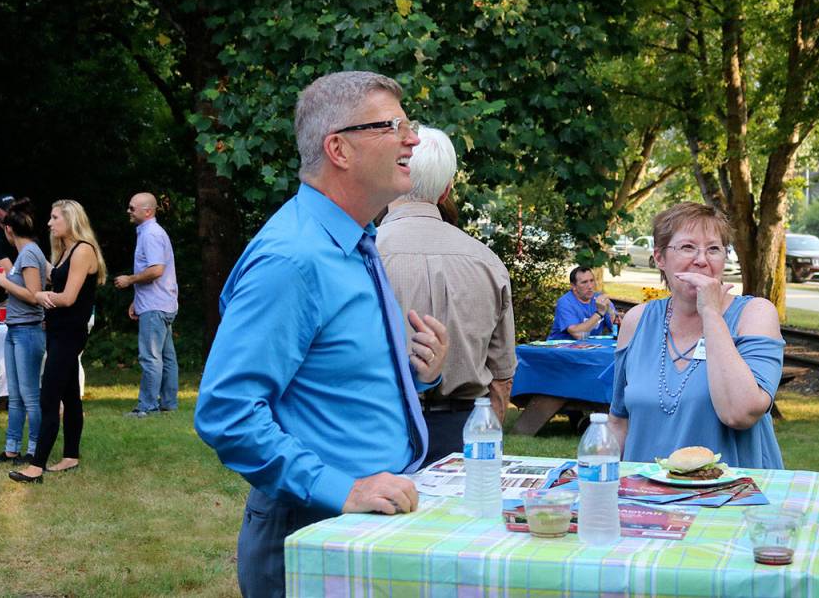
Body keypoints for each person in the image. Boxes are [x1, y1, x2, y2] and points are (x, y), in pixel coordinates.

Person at [194, 71, 449, 598]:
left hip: (367, 526)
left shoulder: (355, 238)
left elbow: (329, 379)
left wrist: (415, 375)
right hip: (313, 532)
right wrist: (343, 489)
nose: (413, 139)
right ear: (339, 148)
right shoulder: (294, 257)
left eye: (410, 124)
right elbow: (226, 410)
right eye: (393, 125)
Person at [377, 125, 517, 464]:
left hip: (381, 429)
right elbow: (502, 378)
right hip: (464, 429)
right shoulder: (487, 262)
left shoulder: (363, 254)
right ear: (446, 191)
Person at [609, 202, 784, 469]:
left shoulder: (755, 314)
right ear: (659, 258)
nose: (702, 260)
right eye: (688, 247)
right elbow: (619, 422)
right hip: (646, 499)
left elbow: (740, 413)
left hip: (734, 499)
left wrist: (711, 314)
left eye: (714, 249)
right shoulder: (637, 321)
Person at [9, 200, 105, 483]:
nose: (49, 223)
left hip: (69, 333)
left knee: (49, 396)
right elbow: (55, 277)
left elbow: (68, 298)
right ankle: (71, 456)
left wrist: (39, 296)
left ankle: (36, 467)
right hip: (59, 331)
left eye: (54, 218)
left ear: (70, 219)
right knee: (71, 396)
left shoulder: (83, 250)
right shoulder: (65, 251)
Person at [0, 199, 48, 466]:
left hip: (28, 331)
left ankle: (34, 451)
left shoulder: (30, 253)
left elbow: (34, 296)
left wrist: (3, 280)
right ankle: (11, 449)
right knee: (17, 395)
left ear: (9, 230)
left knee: (30, 396)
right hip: (16, 329)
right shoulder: (27, 253)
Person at [114, 192, 179, 417]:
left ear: (148, 211)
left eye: (132, 208)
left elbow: (156, 270)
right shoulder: (151, 232)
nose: (129, 211)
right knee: (167, 356)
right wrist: (136, 299)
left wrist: (129, 279)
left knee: (150, 357)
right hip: (161, 302)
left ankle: (147, 407)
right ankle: (169, 403)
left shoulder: (150, 234)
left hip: (156, 305)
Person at [547, 266, 616, 340]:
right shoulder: (565, 302)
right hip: (560, 349)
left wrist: (610, 311)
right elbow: (578, 335)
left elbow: (615, 327)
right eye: (584, 282)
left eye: (592, 281)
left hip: (590, 347)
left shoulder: (600, 299)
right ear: (573, 286)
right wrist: (599, 313)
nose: (590, 286)